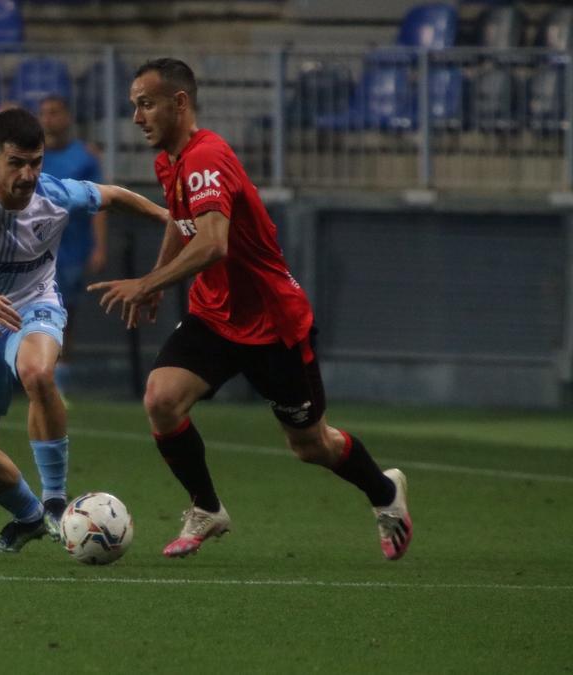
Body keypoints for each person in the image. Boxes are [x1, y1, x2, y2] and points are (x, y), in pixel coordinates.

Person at [88, 58, 413, 561]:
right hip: (215, 315)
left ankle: (385, 493)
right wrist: (157, 281)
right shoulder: (170, 160)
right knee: (161, 399)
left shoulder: (206, 159)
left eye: (146, 104)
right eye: (134, 106)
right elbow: (181, 221)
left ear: (180, 103)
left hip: (272, 325)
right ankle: (207, 509)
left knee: (311, 446)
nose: (137, 117)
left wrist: (146, 282)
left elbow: (214, 244)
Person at [0, 108, 168, 553]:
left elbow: (115, 196)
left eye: (36, 162)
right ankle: (29, 517)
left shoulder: (57, 194)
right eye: (16, 163)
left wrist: (172, 219)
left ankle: (56, 503)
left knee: (38, 373)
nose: (27, 174)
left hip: (34, 307)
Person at [35, 95, 108, 399]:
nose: (48, 119)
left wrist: (99, 246)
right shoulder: (33, 156)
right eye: (44, 114)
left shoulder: (85, 157)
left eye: (54, 112)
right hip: (36, 247)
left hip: (72, 247)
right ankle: (34, 373)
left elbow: (100, 202)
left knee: (66, 317)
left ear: (67, 116)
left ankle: (57, 382)